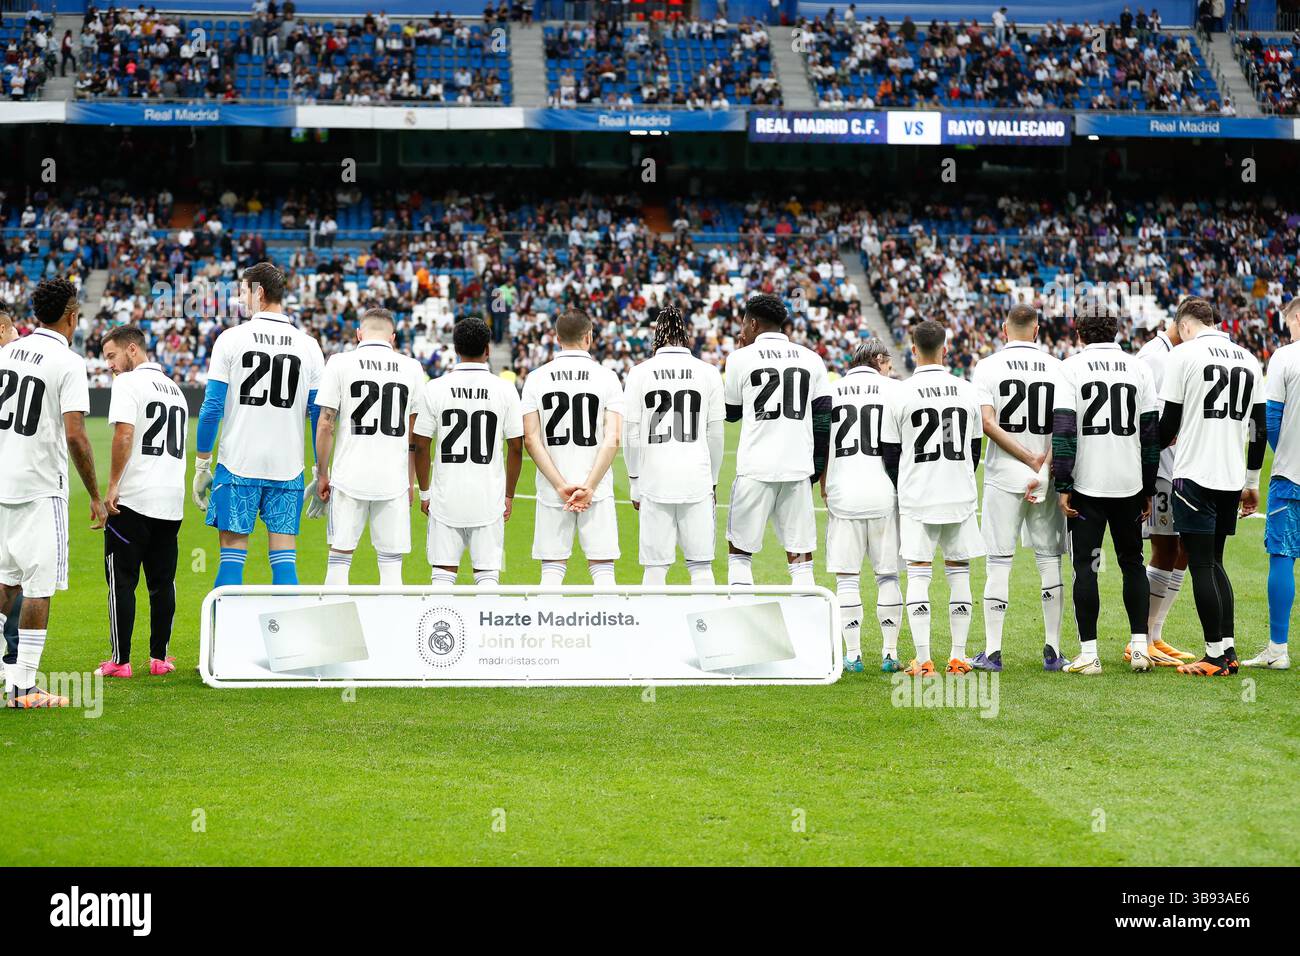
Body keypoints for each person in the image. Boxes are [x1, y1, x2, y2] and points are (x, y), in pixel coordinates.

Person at [0, 278, 106, 708]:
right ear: (72, 315)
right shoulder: (68, 362)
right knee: (38, 586)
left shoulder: (7, 352)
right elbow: (77, 436)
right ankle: (23, 687)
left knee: (5, 582)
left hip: (3, 479)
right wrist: (96, 495)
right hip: (41, 486)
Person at [192, 261, 325, 589]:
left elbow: (211, 408)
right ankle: (284, 639)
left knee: (232, 560)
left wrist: (201, 463)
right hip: (287, 468)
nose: (239, 298)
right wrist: (321, 470)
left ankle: (226, 639)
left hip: (238, 463)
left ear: (260, 293)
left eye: (242, 291)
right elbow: (319, 417)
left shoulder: (231, 339)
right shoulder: (308, 346)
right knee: (284, 564)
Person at [1157, 296, 1266, 676]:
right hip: (1231, 476)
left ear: (1185, 325)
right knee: (1216, 561)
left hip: (1195, 473)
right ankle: (1228, 648)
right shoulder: (1249, 359)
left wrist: (1156, 441)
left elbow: (1168, 423)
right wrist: (1252, 481)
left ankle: (1214, 656)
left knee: (1200, 563)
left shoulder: (1182, 356)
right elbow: (1259, 429)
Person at [1052, 309, 1160, 674]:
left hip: (1087, 485)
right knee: (1133, 564)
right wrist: (1147, 487)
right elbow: (1150, 436)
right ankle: (1141, 647)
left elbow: (1064, 432)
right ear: (1115, 331)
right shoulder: (1138, 368)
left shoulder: (1071, 368)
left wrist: (1063, 485)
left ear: (1080, 333)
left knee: (1087, 567)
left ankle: (1089, 653)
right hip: (1129, 485)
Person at [881, 320, 984, 676]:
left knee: (918, 575)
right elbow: (974, 448)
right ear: (946, 349)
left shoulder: (898, 392)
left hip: (917, 496)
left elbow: (890, 453)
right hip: (958, 493)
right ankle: (957, 657)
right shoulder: (967, 390)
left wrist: (906, 482)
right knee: (959, 574)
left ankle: (924, 661)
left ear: (913, 350)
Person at [971, 303, 1068, 672]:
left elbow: (987, 423)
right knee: (1048, 560)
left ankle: (993, 652)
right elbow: (1064, 425)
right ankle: (1053, 651)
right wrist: (1042, 461)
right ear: (1038, 329)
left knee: (999, 561)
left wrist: (1027, 457)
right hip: (1047, 475)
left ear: (1003, 329)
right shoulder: (1058, 367)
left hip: (1004, 475)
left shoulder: (988, 366)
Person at [723, 294, 832, 587]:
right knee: (800, 560)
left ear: (754, 323)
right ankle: (805, 625)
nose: (742, 332)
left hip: (754, 469)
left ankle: (742, 622)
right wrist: (816, 469)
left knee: (740, 554)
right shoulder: (812, 359)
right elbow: (824, 421)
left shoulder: (739, 358)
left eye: (744, 325)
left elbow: (731, 414)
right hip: (797, 469)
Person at [97, 325, 187, 678]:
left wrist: (113, 485)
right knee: (163, 582)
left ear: (132, 350)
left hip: (135, 497)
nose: (110, 365)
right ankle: (160, 658)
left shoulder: (128, 384)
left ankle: (120, 661)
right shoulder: (176, 390)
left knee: (121, 579)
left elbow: (125, 434)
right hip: (171, 499)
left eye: (112, 356)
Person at [313, 308, 427, 586]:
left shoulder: (339, 362)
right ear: (393, 337)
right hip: (393, 481)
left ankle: (336, 629)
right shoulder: (412, 367)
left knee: (339, 561)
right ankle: (389, 628)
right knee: (391, 568)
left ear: (358, 334)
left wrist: (322, 473)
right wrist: (409, 482)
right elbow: (416, 435)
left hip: (349, 476)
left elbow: (325, 424)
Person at [413, 317, 523, 586]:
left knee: (442, 575)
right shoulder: (505, 389)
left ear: (455, 348)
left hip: (446, 496)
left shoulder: (435, 388)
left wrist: (425, 493)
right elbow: (517, 447)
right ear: (487, 349)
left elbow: (420, 444)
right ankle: (485, 629)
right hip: (488, 497)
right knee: (487, 577)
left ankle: (439, 629)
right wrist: (509, 494)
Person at [622, 307, 725, 588]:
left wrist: (634, 481)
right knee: (701, 567)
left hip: (655, 478)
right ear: (686, 333)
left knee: (655, 570)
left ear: (657, 334)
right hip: (697, 477)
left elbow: (630, 432)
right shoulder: (708, 372)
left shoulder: (639, 372)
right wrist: (713, 482)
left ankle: (654, 632)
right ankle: (705, 631)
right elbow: (716, 434)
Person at [521, 309, 624, 587]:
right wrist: (589, 486)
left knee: (552, 571)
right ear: (589, 336)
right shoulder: (607, 377)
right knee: (603, 570)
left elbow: (531, 438)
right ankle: (611, 629)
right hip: (597, 488)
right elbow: (613, 437)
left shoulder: (536, 378)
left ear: (556, 338)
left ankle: (548, 631)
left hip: (553, 488)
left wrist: (558, 485)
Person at [821, 340, 905, 672]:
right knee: (887, 577)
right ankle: (889, 653)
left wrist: (825, 481)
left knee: (847, 579)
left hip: (843, 492)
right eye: (887, 364)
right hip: (883, 491)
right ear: (878, 360)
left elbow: (822, 440)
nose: (890, 370)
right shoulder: (893, 390)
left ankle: (853, 655)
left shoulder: (833, 389)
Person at [1132, 317, 1195, 665]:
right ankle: (1140, 637)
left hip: (1182, 469)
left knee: (1183, 548)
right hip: (1161, 472)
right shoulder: (1153, 357)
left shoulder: (1176, 355)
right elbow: (1141, 414)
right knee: (1164, 548)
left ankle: (1155, 633)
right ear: (1182, 326)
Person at [1249, 295, 1300, 669]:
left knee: (1282, 555)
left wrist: (1284, 455)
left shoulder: (1284, 357)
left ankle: (1278, 649)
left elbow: (1271, 420)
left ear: (1295, 319)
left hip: (1291, 474)